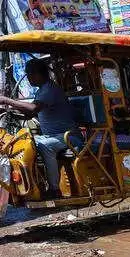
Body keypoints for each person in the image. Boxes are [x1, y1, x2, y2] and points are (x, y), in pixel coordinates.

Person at [0, 57, 79, 199]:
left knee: (43, 145)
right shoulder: (42, 90)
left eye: (29, 74)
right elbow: (30, 112)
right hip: (54, 136)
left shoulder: (49, 89)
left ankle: (54, 190)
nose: (28, 78)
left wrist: (6, 100)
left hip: (68, 136)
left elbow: (33, 108)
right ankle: (37, 184)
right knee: (21, 143)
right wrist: (9, 110)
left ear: (37, 74)